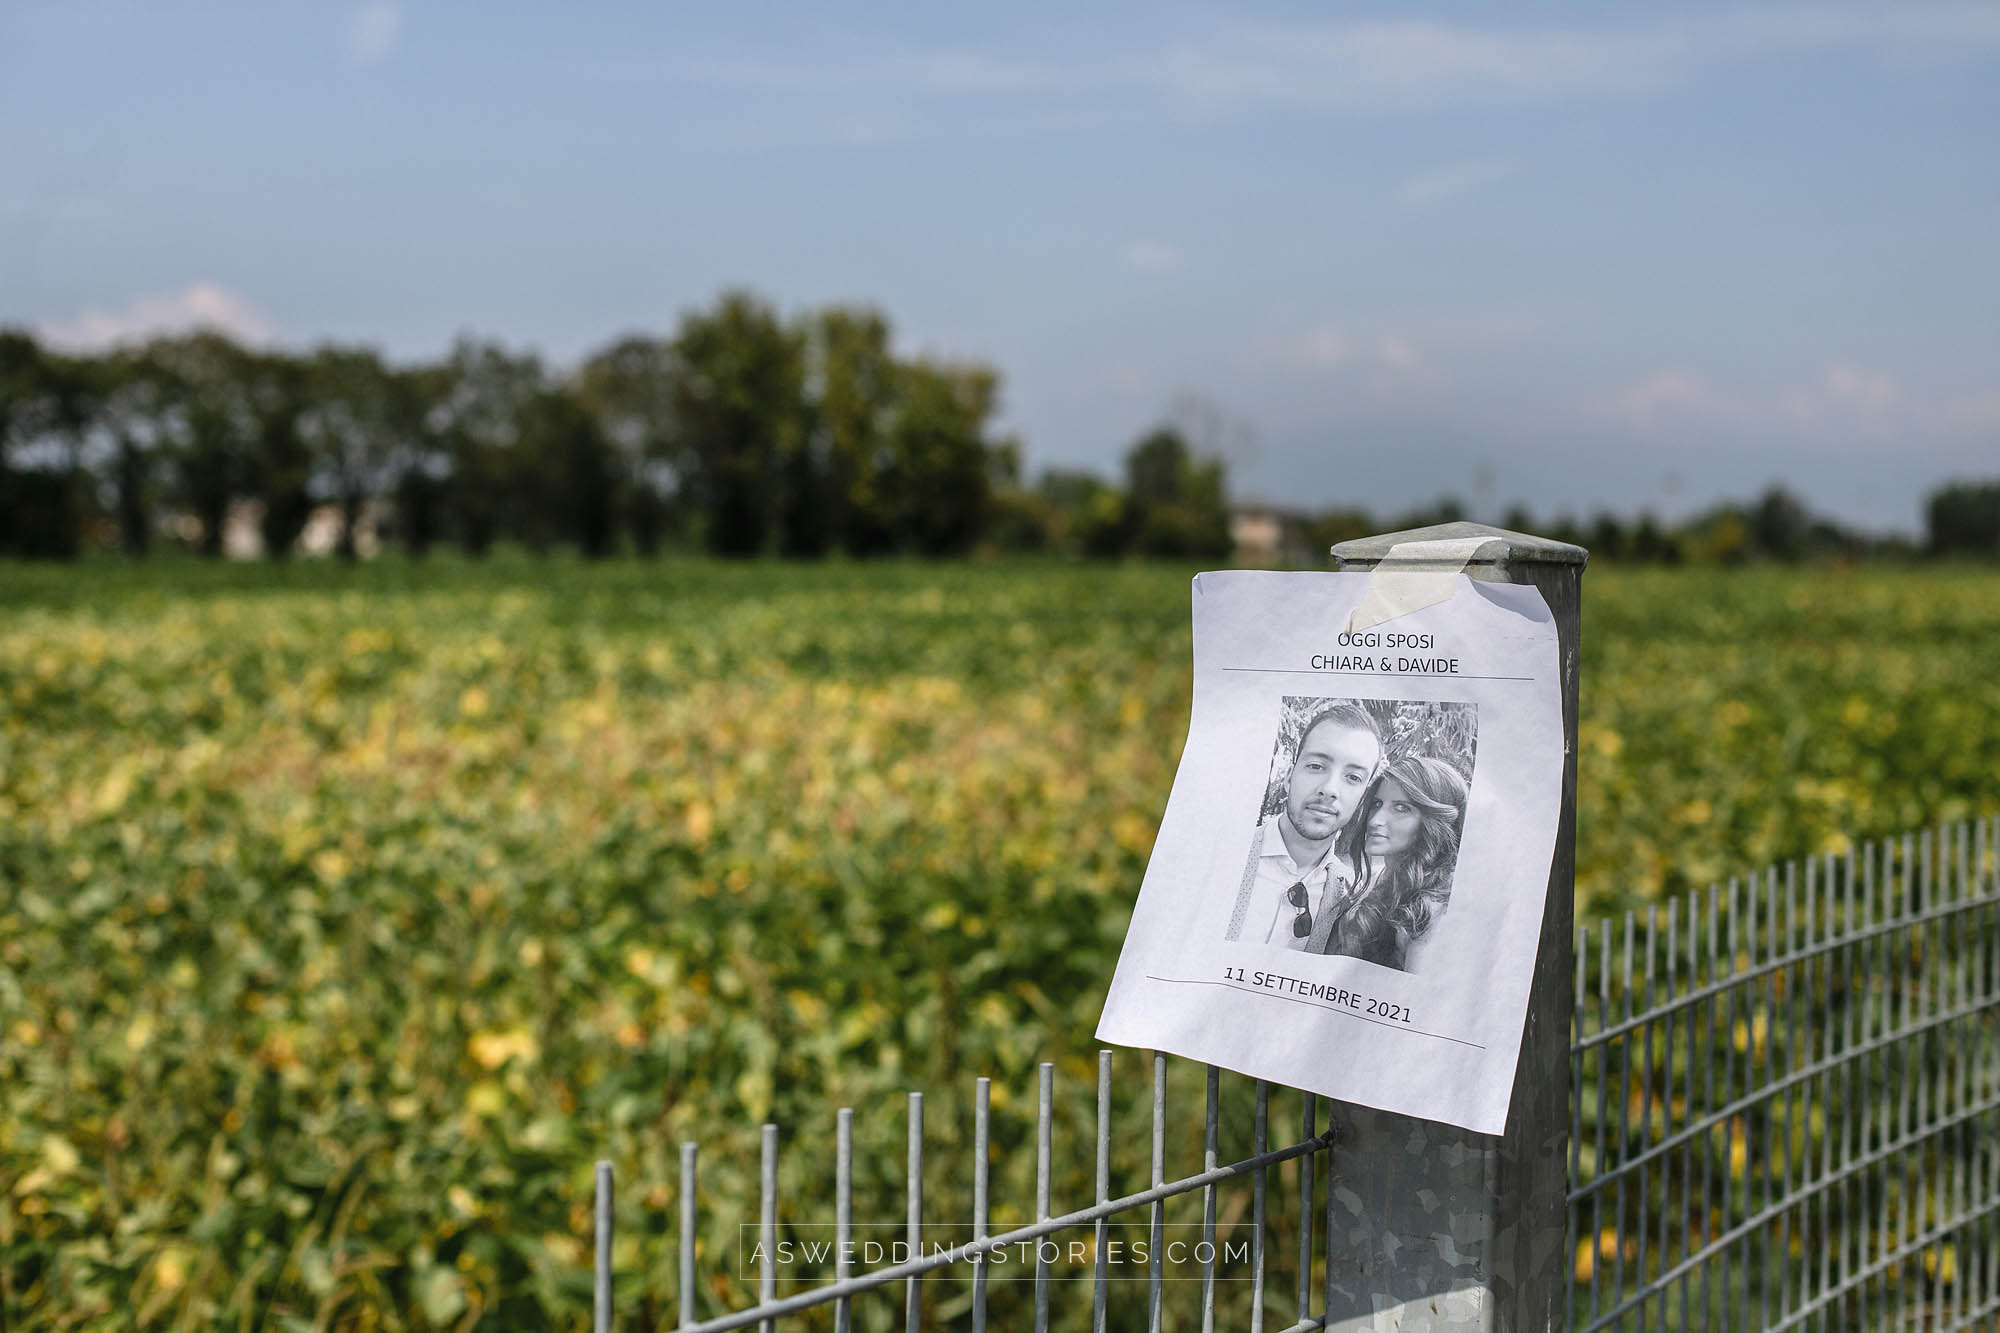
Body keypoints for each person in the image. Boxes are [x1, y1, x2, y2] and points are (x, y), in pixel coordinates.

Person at [1224, 701, 1384, 948]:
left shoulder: (1349, 902)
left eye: (1353, 777)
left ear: (1363, 798)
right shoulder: (1224, 856)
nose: (1329, 789)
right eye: (1316, 766)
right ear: (1289, 777)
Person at [1311, 754, 1469, 970]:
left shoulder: (1433, 910)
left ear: (1434, 822)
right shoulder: (1379, 879)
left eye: (1401, 808)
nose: (1375, 820)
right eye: (1377, 804)